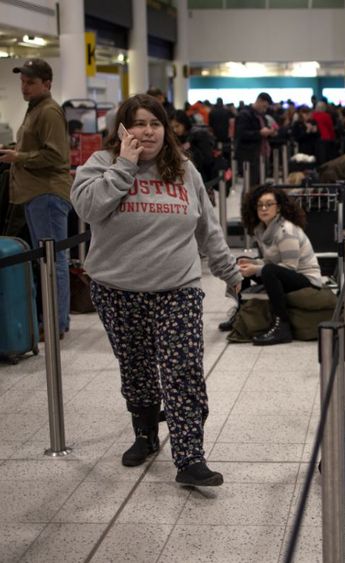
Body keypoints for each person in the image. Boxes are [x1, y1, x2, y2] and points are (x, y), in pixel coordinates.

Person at [70, 94, 242, 486]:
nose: (148, 132)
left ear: (167, 129)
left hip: (176, 287)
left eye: (155, 124)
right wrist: (125, 167)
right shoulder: (100, 165)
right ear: (122, 130)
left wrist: (228, 272)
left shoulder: (183, 170)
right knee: (138, 371)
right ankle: (145, 435)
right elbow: (88, 210)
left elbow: (207, 227)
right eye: (139, 124)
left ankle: (190, 457)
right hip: (117, 290)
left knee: (183, 371)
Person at [0, 58, 72, 339]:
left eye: (30, 82)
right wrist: (13, 150)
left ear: (47, 83)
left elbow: (56, 155)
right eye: (22, 81)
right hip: (34, 193)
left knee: (55, 260)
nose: (25, 87)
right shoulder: (35, 110)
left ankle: (57, 323)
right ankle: (50, 319)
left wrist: (18, 156)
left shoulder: (49, 112)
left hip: (47, 193)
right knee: (47, 260)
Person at [239, 186, 323, 346]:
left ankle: (282, 327)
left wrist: (257, 268)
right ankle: (240, 315)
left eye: (269, 204)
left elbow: (288, 268)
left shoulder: (286, 231)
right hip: (284, 273)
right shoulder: (261, 229)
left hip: (306, 279)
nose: (264, 208)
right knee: (244, 264)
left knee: (266, 271)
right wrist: (252, 264)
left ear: (278, 208)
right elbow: (271, 261)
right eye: (260, 204)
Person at [235, 92, 275, 185]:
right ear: (259, 101)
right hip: (249, 156)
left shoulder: (261, 116)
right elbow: (241, 134)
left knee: (258, 184)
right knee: (250, 185)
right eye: (264, 106)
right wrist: (259, 133)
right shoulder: (244, 114)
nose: (265, 109)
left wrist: (269, 132)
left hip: (261, 155)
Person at [171, 110, 217, 185]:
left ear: (184, 123)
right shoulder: (176, 137)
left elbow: (207, 159)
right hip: (184, 179)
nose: (175, 130)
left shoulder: (198, 135)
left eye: (177, 126)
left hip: (201, 178)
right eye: (172, 127)